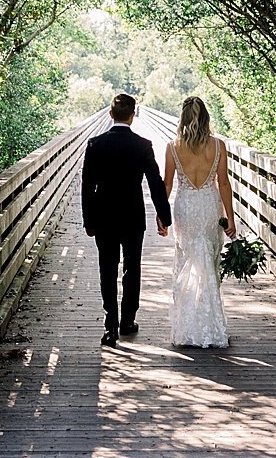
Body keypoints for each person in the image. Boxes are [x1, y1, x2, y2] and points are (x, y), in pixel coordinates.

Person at [82, 93, 171, 347]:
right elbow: (155, 182)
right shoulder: (143, 145)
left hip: (104, 217)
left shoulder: (95, 144)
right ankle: (128, 321)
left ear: (111, 114)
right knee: (132, 267)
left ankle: (110, 324)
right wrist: (164, 216)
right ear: (134, 116)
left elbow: (87, 186)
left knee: (107, 268)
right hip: (133, 216)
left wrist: (88, 219)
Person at [164, 96, 235, 347]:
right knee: (209, 260)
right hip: (208, 206)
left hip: (185, 207)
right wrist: (230, 218)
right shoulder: (218, 146)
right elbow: (223, 183)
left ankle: (187, 327)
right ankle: (212, 325)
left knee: (188, 259)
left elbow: (168, 184)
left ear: (182, 118)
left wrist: (162, 217)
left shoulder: (173, 147)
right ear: (206, 118)